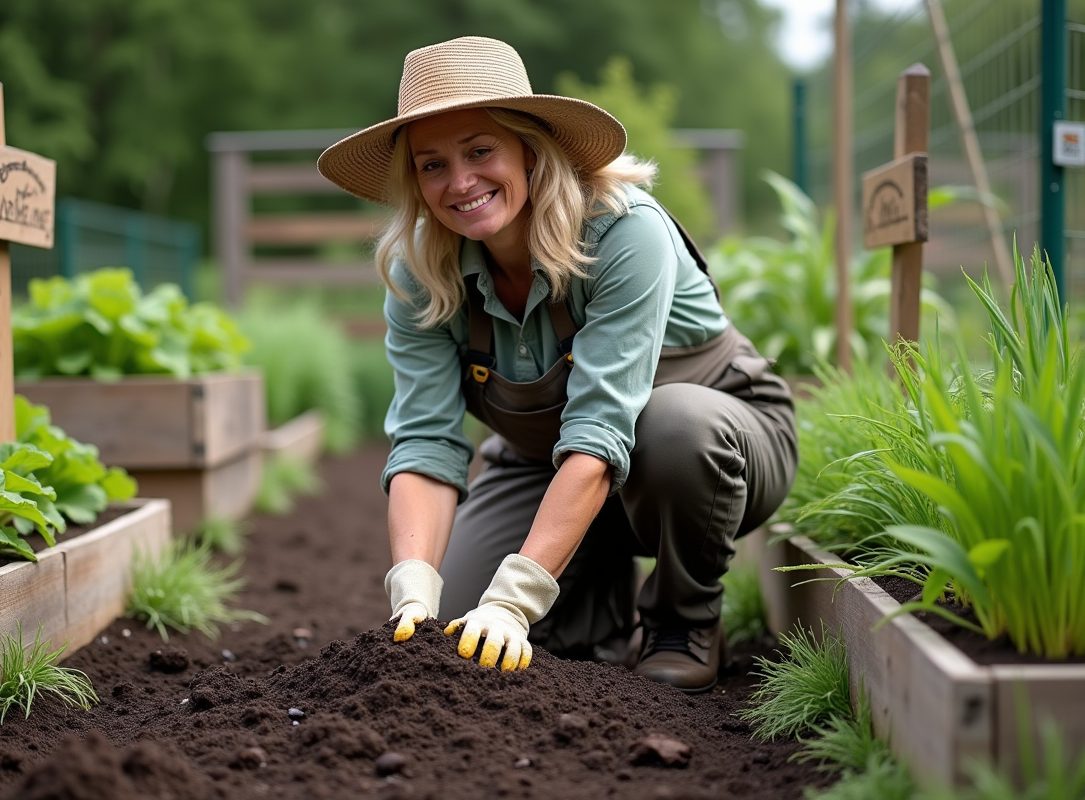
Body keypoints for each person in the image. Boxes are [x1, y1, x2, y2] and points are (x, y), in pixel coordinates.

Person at [317, 36, 796, 692]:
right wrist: (413, 592)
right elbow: (426, 442)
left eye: (480, 151)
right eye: (433, 165)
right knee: (456, 635)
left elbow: (601, 430)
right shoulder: (422, 275)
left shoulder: (624, 233)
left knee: (674, 426)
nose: (460, 183)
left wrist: (513, 599)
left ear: (530, 149)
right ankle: (592, 612)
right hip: (546, 461)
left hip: (715, 451)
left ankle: (681, 621)